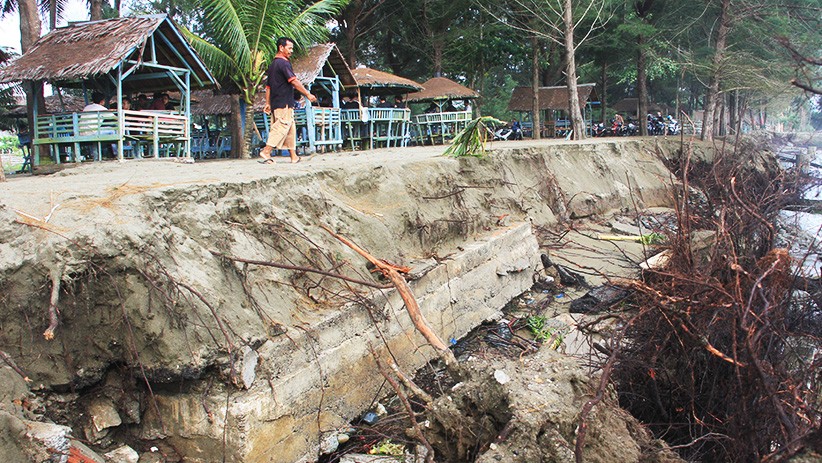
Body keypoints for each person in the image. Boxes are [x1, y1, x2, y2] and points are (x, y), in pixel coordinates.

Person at [259, 37, 317, 164]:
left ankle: (293, 156)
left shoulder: (273, 65)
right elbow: (294, 81)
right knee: (281, 126)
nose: (291, 51)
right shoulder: (283, 63)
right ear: (281, 47)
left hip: (278, 102)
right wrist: (307, 94)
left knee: (290, 127)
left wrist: (268, 103)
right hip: (283, 101)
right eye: (289, 48)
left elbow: (268, 87)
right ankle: (266, 151)